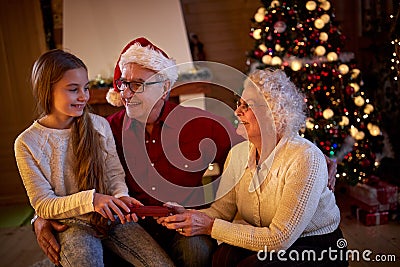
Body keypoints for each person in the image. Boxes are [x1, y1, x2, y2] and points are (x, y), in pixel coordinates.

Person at [32, 39, 338, 267]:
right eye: (123, 84)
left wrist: (317, 157)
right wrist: (41, 215)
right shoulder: (103, 130)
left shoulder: (201, 125)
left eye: (136, 84)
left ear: (164, 88)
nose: (126, 92)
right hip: (129, 227)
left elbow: (269, 134)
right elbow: (64, 174)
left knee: (201, 254)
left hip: (186, 224)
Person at [159, 68, 348, 266]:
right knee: (222, 258)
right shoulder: (239, 154)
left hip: (314, 246)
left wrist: (210, 227)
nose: (237, 111)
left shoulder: (304, 158)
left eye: (247, 106)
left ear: (274, 113)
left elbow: (279, 239)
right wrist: (188, 216)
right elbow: (221, 212)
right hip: (268, 241)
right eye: (239, 103)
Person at [14, 49, 174, 267]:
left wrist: (120, 195)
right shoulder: (27, 143)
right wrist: (92, 200)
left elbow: (114, 173)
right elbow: (42, 204)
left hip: (111, 217)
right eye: (73, 89)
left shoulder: (100, 126)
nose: (84, 97)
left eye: (86, 88)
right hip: (71, 223)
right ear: (47, 91)